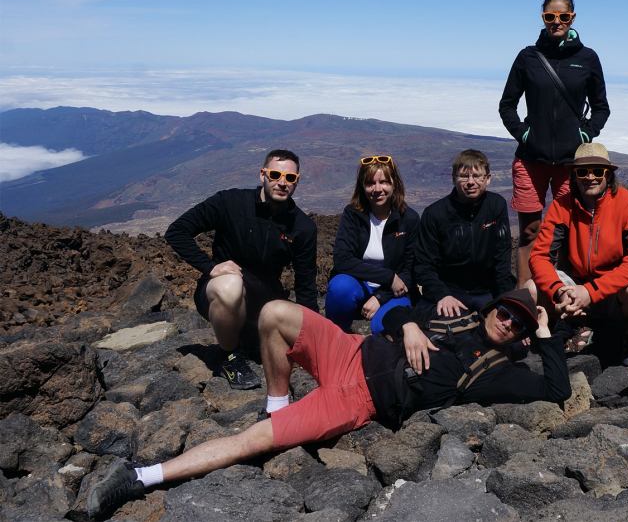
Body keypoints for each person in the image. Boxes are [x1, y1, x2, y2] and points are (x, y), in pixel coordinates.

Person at [87, 288, 569, 520]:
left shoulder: (498, 373)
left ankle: (139, 477)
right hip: (349, 348)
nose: (508, 323)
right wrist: (408, 324)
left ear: (523, 336)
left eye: (519, 325)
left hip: (357, 397)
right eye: (505, 312)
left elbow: (555, 392)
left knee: (249, 442)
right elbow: (394, 309)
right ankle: (277, 402)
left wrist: (547, 335)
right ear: (492, 308)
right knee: (275, 313)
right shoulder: (454, 319)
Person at [165, 149, 317, 390]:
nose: (282, 183)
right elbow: (176, 231)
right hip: (221, 293)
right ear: (262, 175)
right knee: (231, 285)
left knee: (283, 348)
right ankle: (230, 356)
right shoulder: (230, 202)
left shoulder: (302, 227)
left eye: (290, 178)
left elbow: (306, 283)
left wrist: (312, 337)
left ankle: (249, 337)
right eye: (275, 174)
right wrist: (210, 267)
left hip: (265, 304)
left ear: (296, 181)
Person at [498, 0, 611, 286]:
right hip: (530, 159)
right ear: (543, 18)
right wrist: (524, 134)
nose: (556, 22)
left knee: (565, 230)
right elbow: (507, 105)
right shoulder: (528, 57)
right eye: (550, 16)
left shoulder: (587, 58)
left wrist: (584, 134)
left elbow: (601, 107)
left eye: (563, 16)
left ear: (572, 17)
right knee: (530, 231)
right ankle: (524, 300)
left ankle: (557, 295)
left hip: (570, 163)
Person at [529, 142, 628, 361]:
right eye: (582, 171)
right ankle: (568, 327)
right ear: (574, 175)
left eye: (598, 171)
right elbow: (540, 256)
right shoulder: (562, 206)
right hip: (576, 289)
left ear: (608, 174)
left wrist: (591, 291)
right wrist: (560, 290)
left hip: (614, 289)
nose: (590, 177)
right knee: (531, 289)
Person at [413, 150, 517, 317]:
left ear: (488, 179)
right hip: (449, 291)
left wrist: (504, 301)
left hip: (486, 291)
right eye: (463, 176)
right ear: (454, 179)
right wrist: (442, 295)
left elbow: (502, 259)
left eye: (477, 176)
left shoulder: (496, 206)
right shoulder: (435, 214)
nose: (470, 182)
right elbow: (424, 265)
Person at [325, 155, 419, 334]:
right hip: (360, 284)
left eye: (384, 182)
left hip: (393, 292)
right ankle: (338, 338)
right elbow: (342, 260)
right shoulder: (353, 214)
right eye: (370, 183)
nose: (377, 189)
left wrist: (380, 296)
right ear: (362, 186)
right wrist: (389, 277)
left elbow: (410, 270)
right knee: (340, 288)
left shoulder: (409, 219)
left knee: (384, 326)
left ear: (394, 184)